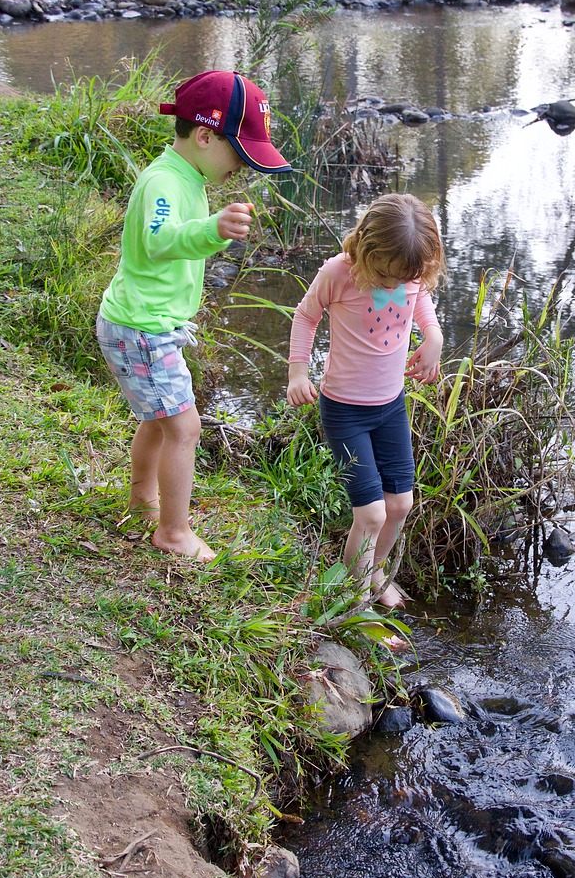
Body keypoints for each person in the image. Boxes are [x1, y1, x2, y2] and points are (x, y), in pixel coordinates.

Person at [96, 70, 290, 562]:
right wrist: (212, 228)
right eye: (239, 153)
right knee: (185, 428)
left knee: (160, 421)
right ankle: (173, 532)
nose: (242, 168)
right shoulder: (164, 182)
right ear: (204, 135)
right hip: (143, 328)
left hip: (146, 323)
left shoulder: (188, 175)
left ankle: (144, 501)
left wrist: (210, 225)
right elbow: (160, 240)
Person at [286, 193, 445, 607]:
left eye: (406, 277)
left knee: (400, 504)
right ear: (368, 253)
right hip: (345, 410)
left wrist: (434, 335)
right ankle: (352, 600)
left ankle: (374, 573)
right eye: (389, 277)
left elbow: (421, 296)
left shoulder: (408, 275)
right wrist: (297, 373)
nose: (396, 286)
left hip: (391, 405)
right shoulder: (339, 273)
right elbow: (306, 316)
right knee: (371, 513)